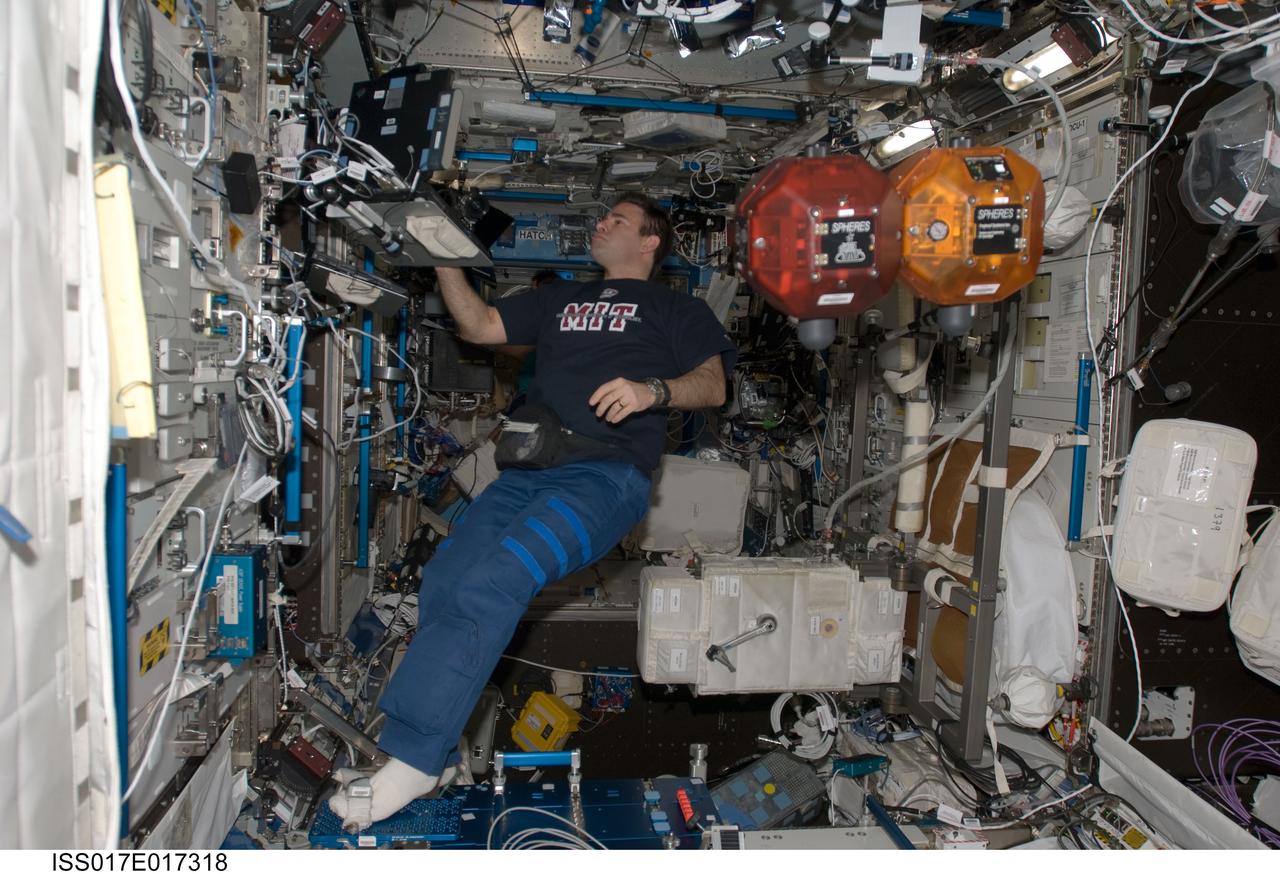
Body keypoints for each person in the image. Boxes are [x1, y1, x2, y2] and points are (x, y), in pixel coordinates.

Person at [329, 193, 736, 829]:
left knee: (497, 581)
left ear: (651, 241)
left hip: (603, 480)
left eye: (618, 221)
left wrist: (652, 390)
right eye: (603, 216)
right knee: (447, 580)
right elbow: (481, 327)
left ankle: (409, 764)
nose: (601, 224)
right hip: (524, 476)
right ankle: (429, 754)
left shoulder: (673, 308)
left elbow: (713, 385)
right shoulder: (564, 298)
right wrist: (445, 261)